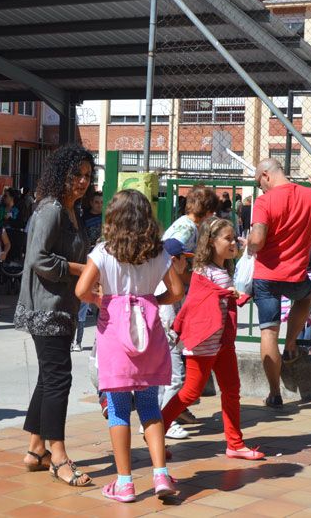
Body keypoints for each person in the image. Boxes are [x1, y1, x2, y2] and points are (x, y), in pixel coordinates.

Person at [74, 189, 187, 503]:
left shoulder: (103, 252)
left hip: (114, 336)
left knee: (119, 409)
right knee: (150, 406)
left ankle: (124, 482)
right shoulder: (159, 253)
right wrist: (153, 300)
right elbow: (177, 290)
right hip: (149, 336)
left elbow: (81, 289)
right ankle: (161, 473)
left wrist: (103, 300)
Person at [13, 144, 95, 486]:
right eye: (76, 174)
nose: (81, 181)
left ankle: (35, 450)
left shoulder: (71, 210)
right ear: (60, 174)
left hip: (61, 307)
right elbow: (39, 260)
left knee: (50, 378)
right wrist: (82, 269)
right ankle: (58, 455)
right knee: (59, 378)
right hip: (46, 309)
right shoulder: (51, 210)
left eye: (87, 176)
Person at [163, 218, 264, 462]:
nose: (233, 243)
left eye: (233, 238)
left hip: (222, 343)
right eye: (227, 239)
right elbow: (197, 300)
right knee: (190, 392)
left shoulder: (225, 270)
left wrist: (232, 294)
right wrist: (225, 293)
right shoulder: (202, 271)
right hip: (203, 343)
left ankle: (235, 444)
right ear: (211, 241)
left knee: (232, 390)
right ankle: (157, 430)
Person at [246, 158, 311, 409]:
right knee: (305, 296)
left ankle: (274, 393)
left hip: (266, 277)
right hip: (296, 275)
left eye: (259, 183)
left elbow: (258, 239)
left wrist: (249, 243)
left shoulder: (264, 201)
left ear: (265, 175)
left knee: (268, 331)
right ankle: (292, 342)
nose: (260, 189)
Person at [158, 185, 218, 435]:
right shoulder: (186, 227)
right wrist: (181, 276)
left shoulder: (187, 224)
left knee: (173, 354)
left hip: (173, 298)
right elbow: (169, 250)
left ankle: (175, 410)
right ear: (208, 211)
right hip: (170, 299)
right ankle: (163, 420)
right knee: (173, 361)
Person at [73, 191, 104, 351]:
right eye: (97, 202)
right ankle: (77, 340)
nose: (99, 205)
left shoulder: (107, 218)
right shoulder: (84, 219)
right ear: (91, 203)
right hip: (89, 259)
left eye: (101, 202)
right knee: (83, 302)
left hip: (104, 262)